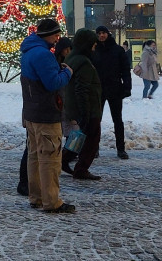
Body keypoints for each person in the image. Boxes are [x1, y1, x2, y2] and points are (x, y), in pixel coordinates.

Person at [20, 18, 75, 213]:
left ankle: (36, 197)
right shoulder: (43, 54)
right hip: (46, 113)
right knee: (50, 158)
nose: (57, 38)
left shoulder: (28, 52)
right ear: (47, 35)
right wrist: (67, 73)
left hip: (32, 113)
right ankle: (51, 201)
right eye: (55, 34)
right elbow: (52, 83)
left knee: (34, 156)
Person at [62, 28, 103, 181]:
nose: (94, 47)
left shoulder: (71, 58)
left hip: (74, 106)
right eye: (93, 44)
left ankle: (64, 160)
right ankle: (81, 169)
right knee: (91, 140)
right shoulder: (84, 62)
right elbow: (82, 89)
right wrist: (85, 112)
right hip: (89, 109)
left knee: (79, 137)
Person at [92, 25, 132, 160]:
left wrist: (127, 87)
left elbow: (126, 70)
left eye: (103, 33)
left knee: (118, 120)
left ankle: (121, 149)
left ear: (108, 34)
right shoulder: (94, 50)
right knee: (96, 120)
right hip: (98, 89)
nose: (101, 36)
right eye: (99, 33)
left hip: (115, 88)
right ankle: (94, 148)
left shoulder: (118, 50)